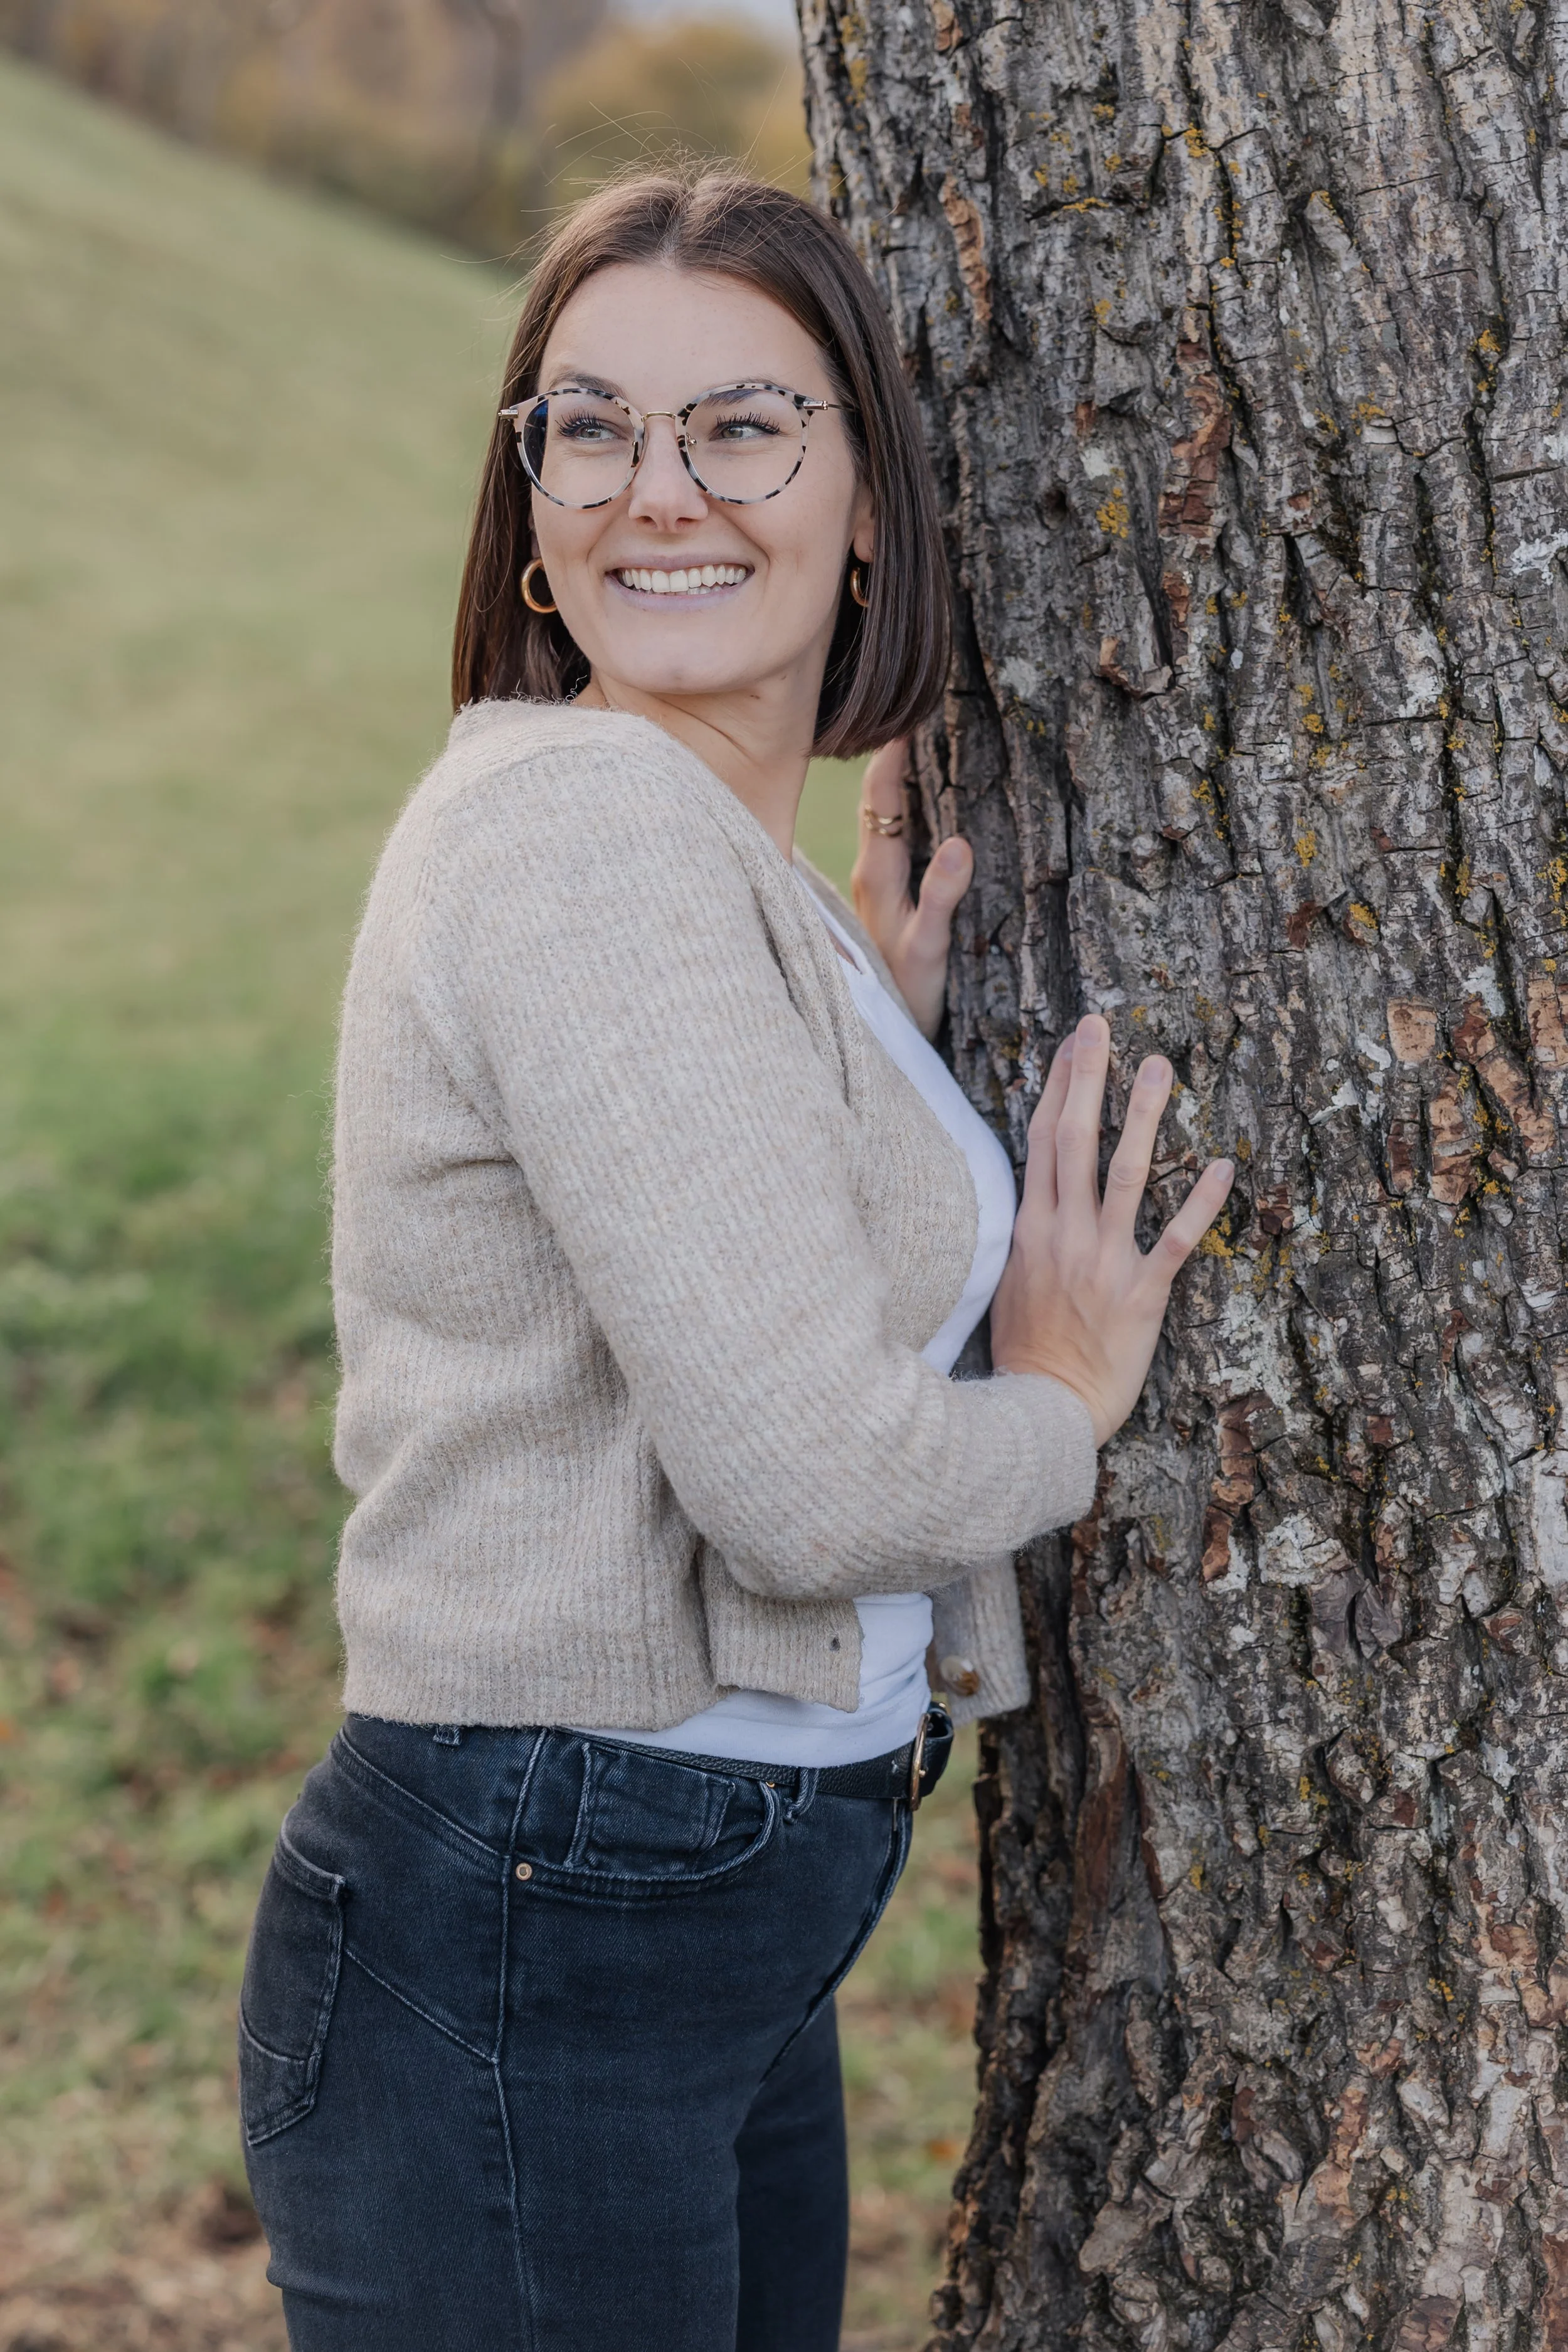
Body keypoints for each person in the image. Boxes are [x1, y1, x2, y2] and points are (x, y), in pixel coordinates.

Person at [236, 166, 1232, 2352]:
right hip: (536, 1929)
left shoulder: (698, 855)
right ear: (527, 503)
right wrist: (1058, 1400)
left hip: (650, 1926)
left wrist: (851, 1036)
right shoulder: (583, 834)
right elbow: (801, 1484)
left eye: (741, 426)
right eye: (585, 429)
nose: (655, 490)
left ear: (867, 491)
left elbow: (709, 1223)